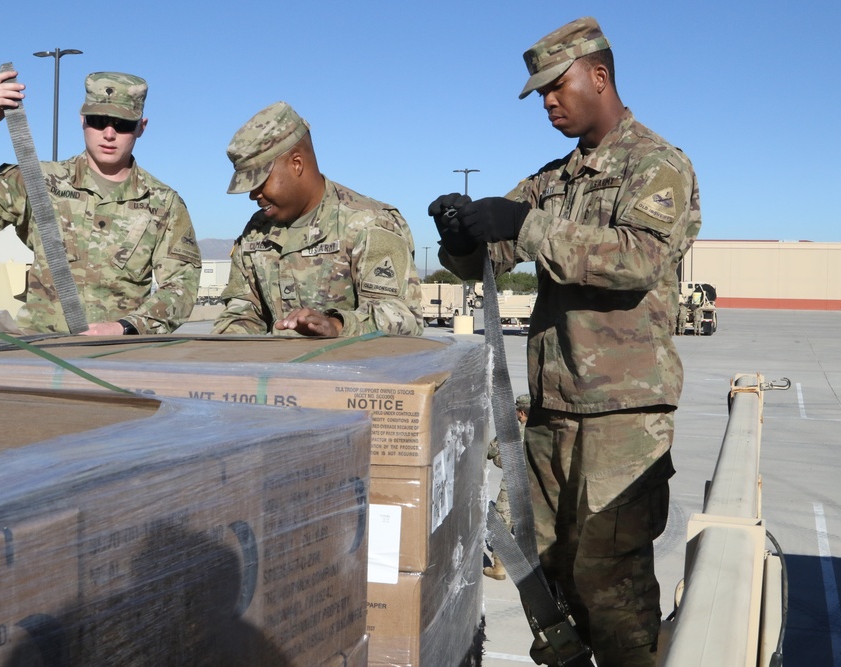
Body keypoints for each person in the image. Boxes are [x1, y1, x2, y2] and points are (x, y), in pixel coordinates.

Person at [428, 17, 701, 667]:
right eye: (540, 92)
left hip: (622, 414)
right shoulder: (553, 180)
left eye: (556, 85)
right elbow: (490, 255)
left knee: (610, 580)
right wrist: (458, 236)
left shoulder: (657, 166)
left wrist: (526, 227)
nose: (548, 101)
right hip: (554, 409)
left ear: (598, 76)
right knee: (545, 568)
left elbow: (635, 259)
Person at [0, 69, 201, 335]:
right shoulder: (38, 181)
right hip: (42, 351)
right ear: (83, 120)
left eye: (122, 124)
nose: (109, 134)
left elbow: (181, 284)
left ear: (141, 128)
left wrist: (126, 327)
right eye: (99, 120)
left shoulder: (163, 203)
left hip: (118, 355)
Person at [211, 102, 423, 337]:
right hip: (277, 370)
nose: (253, 194)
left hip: (352, 371)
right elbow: (244, 310)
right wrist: (230, 340)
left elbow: (402, 318)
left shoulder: (367, 223)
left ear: (296, 164)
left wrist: (337, 325)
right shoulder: (257, 230)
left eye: (259, 182)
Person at [484, 393, 530, 580]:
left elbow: (490, 452)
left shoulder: (513, 432)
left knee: (502, 523)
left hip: (513, 485)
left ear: (520, 412)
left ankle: (499, 568)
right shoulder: (547, 430)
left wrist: (496, 458)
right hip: (538, 487)